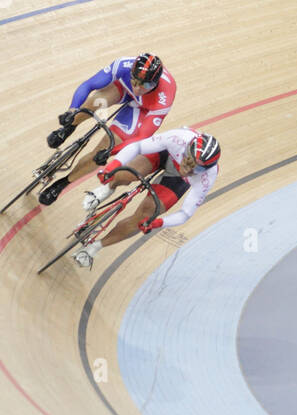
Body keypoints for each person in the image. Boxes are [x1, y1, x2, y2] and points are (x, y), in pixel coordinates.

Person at [72, 126, 220, 269]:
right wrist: (111, 168)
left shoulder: (207, 177)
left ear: (207, 169)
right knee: (127, 173)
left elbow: (185, 214)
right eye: (188, 161)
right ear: (186, 149)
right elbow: (137, 147)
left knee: (144, 217)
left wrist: (157, 223)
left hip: (177, 180)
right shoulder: (178, 138)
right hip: (164, 154)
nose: (189, 170)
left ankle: (95, 247)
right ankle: (107, 189)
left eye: (198, 169)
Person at [38, 53, 176, 205]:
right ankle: (70, 127)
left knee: (103, 149)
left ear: (155, 83)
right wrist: (72, 110)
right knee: (96, 101)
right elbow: (89, 85)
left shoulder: (164, 98)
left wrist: (110, 152)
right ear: (131, 72)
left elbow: (141, 138)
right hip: (123, 89)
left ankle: (62, 183)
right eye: (135, 81)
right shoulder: (123, 65)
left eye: (146, 85)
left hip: (143, 109)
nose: (138, 88)